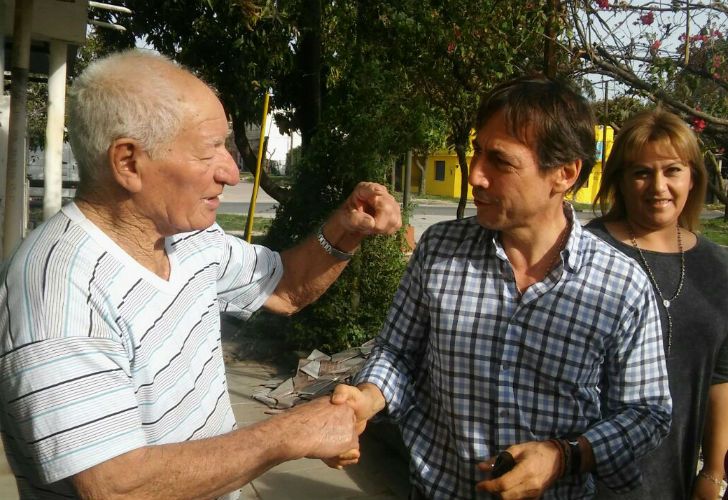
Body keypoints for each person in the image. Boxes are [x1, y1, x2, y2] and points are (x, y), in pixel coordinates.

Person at [0, 50, 401, 499]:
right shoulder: (58, 290)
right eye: (210, 150)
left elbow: (286, 288)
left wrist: (344, 230)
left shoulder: (187, 237)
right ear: (128, 162)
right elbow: (117, 487)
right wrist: (289, 434)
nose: (232, 171)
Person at [329, 76, 672, 499]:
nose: (475, 174)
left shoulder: (619, 285)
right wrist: (368, 396)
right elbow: (398, 352)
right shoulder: (440, 251)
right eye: (477, 151)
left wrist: (565, 455)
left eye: (500, 161)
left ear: (563, 174)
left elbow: (647, 412)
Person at [587, 109, 728, 500]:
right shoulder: (585, 254)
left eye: (673, 171)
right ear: (619, 180)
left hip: (676, 481)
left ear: (693, 178)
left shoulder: (718, 267)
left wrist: (713, 473)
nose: (658, 186)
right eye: (641, 172)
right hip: (587, 479)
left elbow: (720, 379)